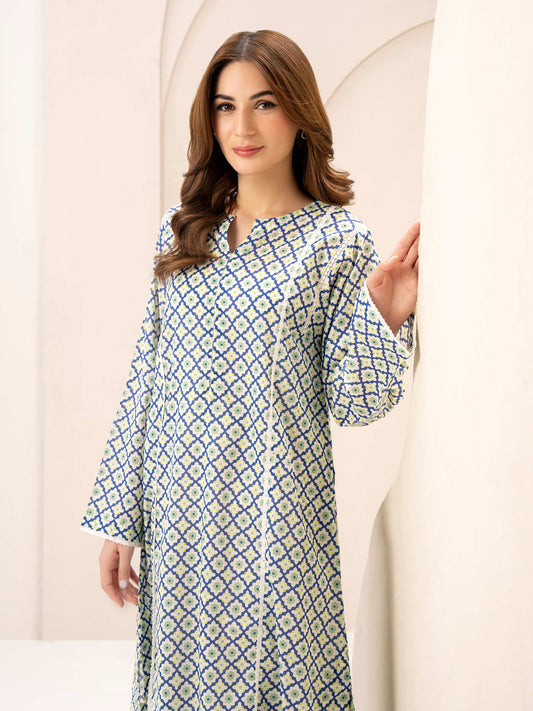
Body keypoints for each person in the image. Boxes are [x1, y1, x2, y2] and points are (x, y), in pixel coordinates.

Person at [80, 29, 419, 711]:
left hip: (277, 514)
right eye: (225, 106)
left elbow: (354, 404)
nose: (242, 127)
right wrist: (122, 518)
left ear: (298, 112)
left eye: (264, 103)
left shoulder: (337, 242)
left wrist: (381, 316)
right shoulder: (184, 230)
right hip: (179, 514)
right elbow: (148, 374)